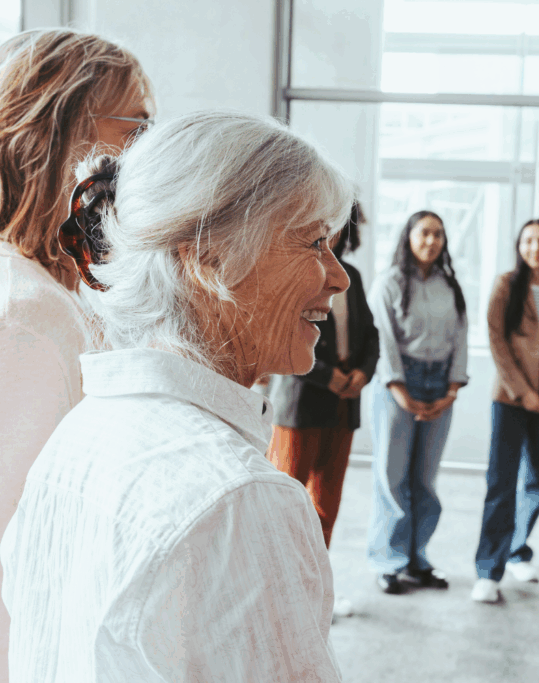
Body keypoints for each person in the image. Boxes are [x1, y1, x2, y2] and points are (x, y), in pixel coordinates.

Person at [1, 111, 351, 681]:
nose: (339, 277)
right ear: (208, 257)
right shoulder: (240, 498)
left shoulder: (78, 436)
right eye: (314, 243)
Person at [0, 29, 151, 681]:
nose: (148, 153)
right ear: (60, 136)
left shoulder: (51, 290)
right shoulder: (27, 312)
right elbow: (20, 546)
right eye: (136, 127)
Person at [265, 200, 379, 618]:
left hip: (344, 406)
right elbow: (282, 333)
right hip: (300, 404)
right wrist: (327, 375)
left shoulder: (353, 277)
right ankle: (276, 598)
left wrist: (363, 374)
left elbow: (371, 336)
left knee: (325, 509)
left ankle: (313, 596)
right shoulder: (293, 271)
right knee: (284, 505)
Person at [471, 218, 539, 603]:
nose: (536, 247)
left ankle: (517, 549)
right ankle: (488, 570)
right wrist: (523, 392)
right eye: (529, 241)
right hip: (511, 395)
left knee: (538, 479)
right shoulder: (506, 285)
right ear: (519, 246)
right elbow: (496, 340)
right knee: (501, 482)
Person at [366, 210, 469, 594]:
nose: (431, 241)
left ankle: (417, 559)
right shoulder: (389, 283)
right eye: (424, 233)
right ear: (408, 237)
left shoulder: (450, 285)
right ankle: (388, 562)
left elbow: (461, 338)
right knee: (392, 478)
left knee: (425, 481)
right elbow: (383, 339)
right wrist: (400, 391)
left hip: (439, 384)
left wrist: (452, 390)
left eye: (438, 234)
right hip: (397, 383)